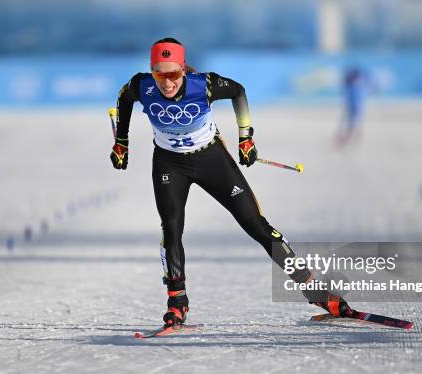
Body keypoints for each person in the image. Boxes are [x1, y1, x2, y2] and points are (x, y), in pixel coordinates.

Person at [111, 37, 352, 327]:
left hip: (210, 159)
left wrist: (246, 138)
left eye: (173, 74)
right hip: (169, 163)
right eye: (160, 74)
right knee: (171, 229)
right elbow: (124, 100)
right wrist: (121, 143)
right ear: (152, 72)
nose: (167, 82)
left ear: (183, 70)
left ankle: (316, 291)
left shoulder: (205, 85)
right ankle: (176, 303)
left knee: (255, 224)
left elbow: (238, 92)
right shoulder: (141, 86)